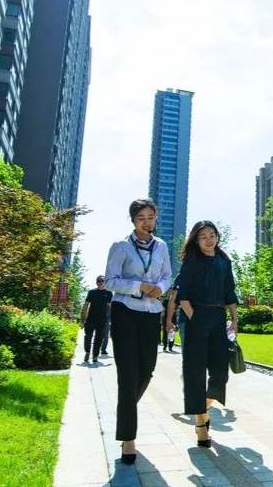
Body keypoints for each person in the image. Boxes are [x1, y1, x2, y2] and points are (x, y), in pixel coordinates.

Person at [104, 198, 173, 465]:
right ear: (133, 220)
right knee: (128, 375)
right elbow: (110, 281)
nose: (146, 222)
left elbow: (167, 275)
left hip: (151, 314)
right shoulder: (120, 246)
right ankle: (128, 438)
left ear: (156, 218)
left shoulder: (162, 246)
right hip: (125, 313)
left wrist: (160, 288)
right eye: (141, 218)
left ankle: (125, 410)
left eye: (150, 217)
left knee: (147, 371)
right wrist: (139, 286)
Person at [176, 220, 239, 448]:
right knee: (195, 372)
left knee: (220, 372)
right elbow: (183, 296)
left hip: (218, 318)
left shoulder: (224, 260)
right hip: (195, 317)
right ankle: (201, 425)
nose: (209, 240)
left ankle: (202, 406)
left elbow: (230, 291)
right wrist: (195, 318)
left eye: (212, 235)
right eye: (203, 236)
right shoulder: (192, 261)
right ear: (196, 240)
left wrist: (234, 318)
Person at [80, 275, 113, 364]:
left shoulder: (109, 293)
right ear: (96, 282)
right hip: (90, 319)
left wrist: (112, 320)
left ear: (105, 282)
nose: (101, 283)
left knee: (99, 339)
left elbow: (111, 307)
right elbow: (86, 306)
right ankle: (87, 352)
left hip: (102, 320)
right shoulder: (91, 292)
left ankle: (95, 356)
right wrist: (82, 319)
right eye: (99, 281)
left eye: (102, 281)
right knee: (88, 336)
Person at [162, 287, 178, 352]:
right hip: (165, 316)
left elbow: (177, 307)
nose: (170, 292)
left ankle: (170, 346)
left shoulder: (175, 300)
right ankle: (165, 345)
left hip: (173, 316)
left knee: (172, 332)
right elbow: (163, 308)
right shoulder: (165, 301)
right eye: (169, 291)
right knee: (165, 331)